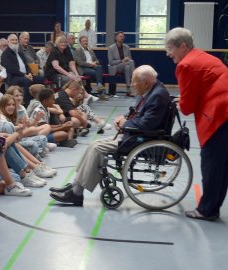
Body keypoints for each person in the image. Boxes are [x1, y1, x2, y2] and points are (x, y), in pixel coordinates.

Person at [50, 65, 171, 206]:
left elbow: (147, 124)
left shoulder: (156, 96)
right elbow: (138, 113)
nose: (132, 84)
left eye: (135, 81)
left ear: (147, 82)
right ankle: (76, 184)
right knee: (93, 145)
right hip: (137, 134)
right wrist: (124, 118)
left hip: (142, 139)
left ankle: (77, 192)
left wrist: (125, 123)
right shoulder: (153, 91)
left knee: (97, 148)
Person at [165, 27, 228, 221]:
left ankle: (206, 210)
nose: (168, 54)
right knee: (222, 165)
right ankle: (211, 207)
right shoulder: (204, 56)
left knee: (212, 162)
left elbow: (187, 107)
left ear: (183, 46)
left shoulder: (186, 65)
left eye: (170, 49)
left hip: (219, 113)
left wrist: (182, 101)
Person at [1, 34, 43, 107]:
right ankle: (27, 103)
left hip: (25, 75)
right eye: (12, 40)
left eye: (16, 40)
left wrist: (29, 73)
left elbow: (26, 65)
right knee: (27, 81)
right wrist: (24, 75)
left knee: (41, 79)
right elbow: (11, 69)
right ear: (8, 42)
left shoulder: (20, 53)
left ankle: (40, 100)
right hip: (13, 77)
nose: (14, 41)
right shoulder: (5, 54)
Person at [108, 31, 135, 96]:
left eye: (123, 36)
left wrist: (127, 60)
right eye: (120, 36)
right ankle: (135, 79)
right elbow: (111, 62)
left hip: (125, 66)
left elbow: (129, 59)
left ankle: (128, 89)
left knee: (128, 67)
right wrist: (121, 61)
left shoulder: (127, 47)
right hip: (115, 66)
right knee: (131, 62)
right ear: (116, 38)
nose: (122, 38)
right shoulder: (111, 48)